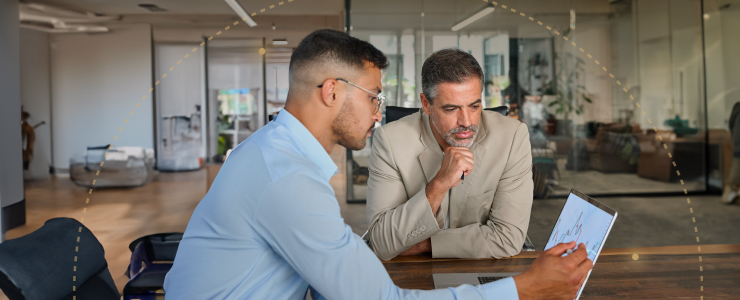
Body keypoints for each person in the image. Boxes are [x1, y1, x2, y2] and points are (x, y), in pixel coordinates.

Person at [164, 29, 592, 300]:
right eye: (373, 96)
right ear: (332, 92)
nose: (378, 112)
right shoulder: (288, 179)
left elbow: (363, 252)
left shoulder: (275, 155)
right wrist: (525, 288)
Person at [365, 48, 533, 260]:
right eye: (451, 109)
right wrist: (439, 183)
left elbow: (508, 239)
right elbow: (381, 242)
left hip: (484, 272)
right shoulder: (389, 141)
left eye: (474, 106)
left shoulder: (512, 137)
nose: (466, 122)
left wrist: (424, 245)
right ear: (426, 104)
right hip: (413, 277)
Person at [723, 102, 740, 204]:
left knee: (736, 173)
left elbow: (731, 126)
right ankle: (729, 195)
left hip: (737, 145)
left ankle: (731, 195)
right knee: (735, 176)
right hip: (738, 147)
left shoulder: (736, 110)